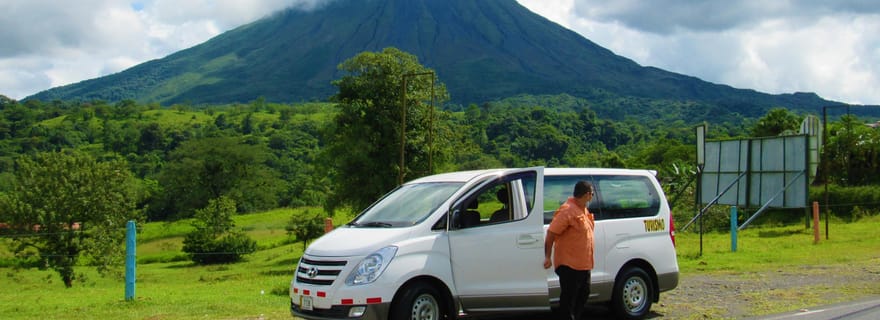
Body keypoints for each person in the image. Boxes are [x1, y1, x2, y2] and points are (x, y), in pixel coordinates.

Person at [543, 181, 595, 320]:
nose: (593, 196)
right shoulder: (567, 210)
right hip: (569, 265)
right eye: (592, 193)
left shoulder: (583, 208)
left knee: (584, 294)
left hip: (584, 264)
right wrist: (547, 257)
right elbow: (551, 233)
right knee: (568, 300)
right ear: (587, 194)